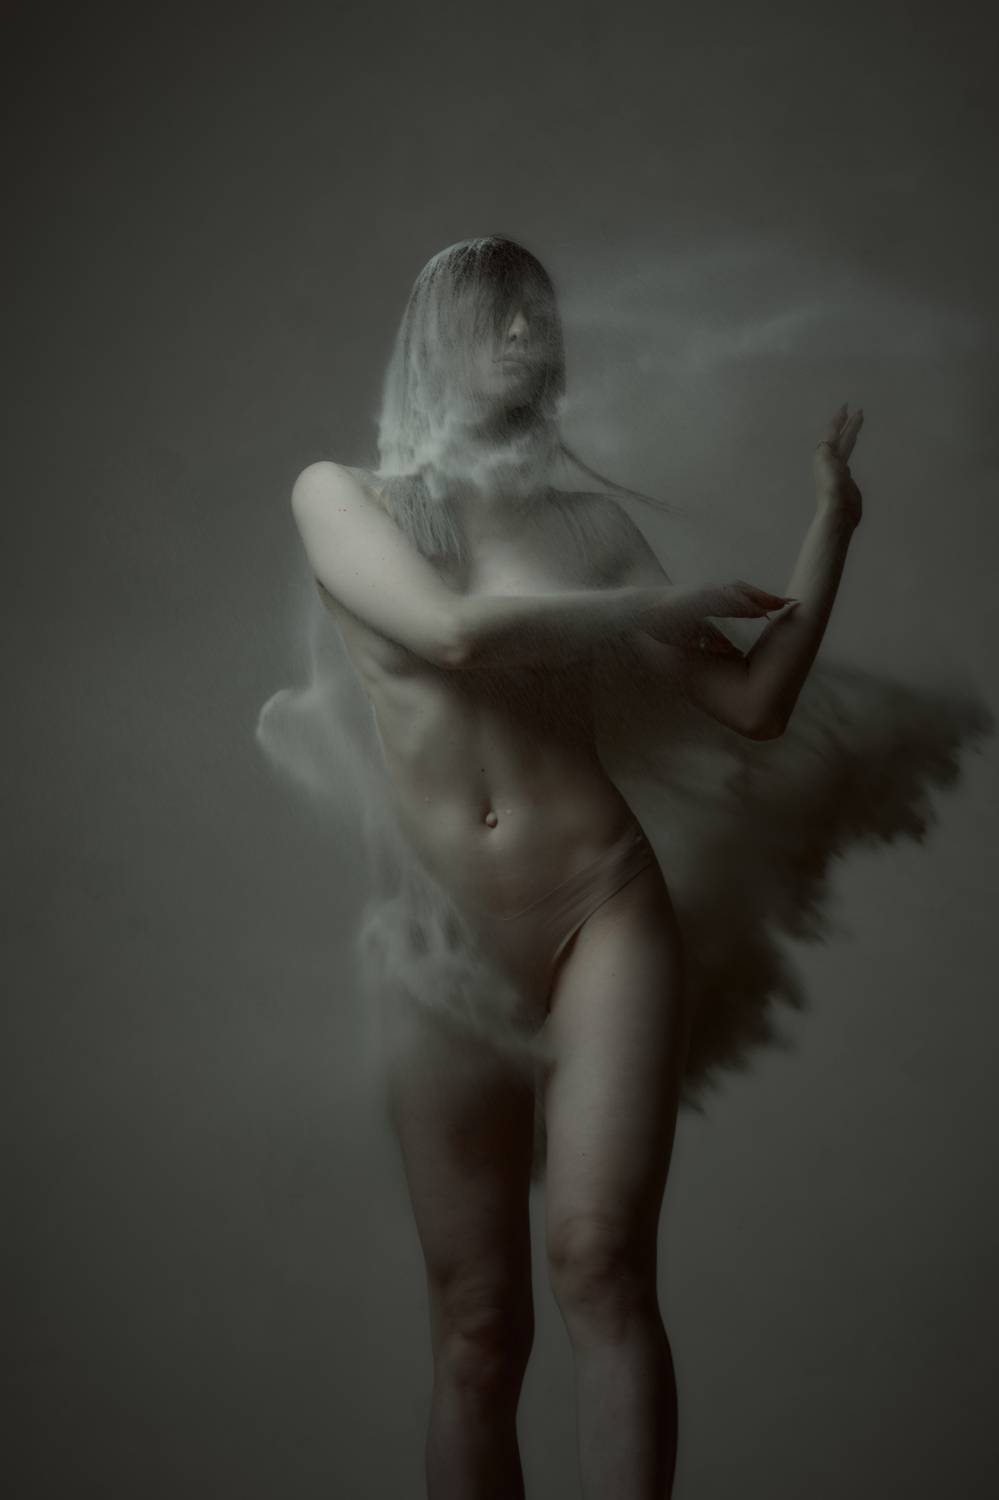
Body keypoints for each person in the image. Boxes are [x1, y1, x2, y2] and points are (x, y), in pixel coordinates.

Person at [288, 235, 864, 1500]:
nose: (524, 333)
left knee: (601, 1263)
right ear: (436, 337)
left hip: (601, 907)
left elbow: (755, 702)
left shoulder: (590, 528)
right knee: (478, 1324)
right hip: (435, 945)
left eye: (537, 315)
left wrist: (833, 527)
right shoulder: (342, 498)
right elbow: (453, 633)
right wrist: (655, 606)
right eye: (497, 314)